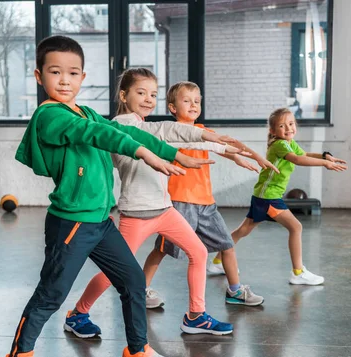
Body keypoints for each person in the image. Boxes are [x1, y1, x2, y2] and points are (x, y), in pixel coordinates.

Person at [3, 37, 210, 357]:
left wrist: (173, 154)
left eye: (72, 73)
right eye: (55, 72)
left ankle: (137, 352)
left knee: (132, 280)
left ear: (83, 76)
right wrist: (144, 154)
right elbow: (97, 133)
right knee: (52, 293)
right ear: (40, 76)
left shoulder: (82, 110)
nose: (64, 80)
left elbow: (121, 129)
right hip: (72, 221)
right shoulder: (50, 115)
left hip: (100, 221)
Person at [66, 68, 240, 338]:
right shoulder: (121, 126)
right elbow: (166, 131)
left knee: (199, 252)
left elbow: (175, 135)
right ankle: (78, 313)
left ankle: (195, 315)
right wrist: (210, 140)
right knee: (116, 271)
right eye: (141, 92)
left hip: (165, 209)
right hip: (136, 214)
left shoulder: (146, 125)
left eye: (153, 94)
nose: (149, 99)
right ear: (123, 95)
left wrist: (221, 146)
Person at [142, 81, 266, 308]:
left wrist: (240, 156)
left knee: (227, 245)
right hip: (180, 204)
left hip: (206, 203)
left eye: (197, 101)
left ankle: (235, 291)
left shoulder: (204, 131)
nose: (193, 105)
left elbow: (222, 146)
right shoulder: (170, 133)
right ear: (172, 107)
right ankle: (141, 290)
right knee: (161, 249)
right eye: (186, 100)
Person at [213, 107, 347, 286]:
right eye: (282, 126)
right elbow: (297, 160)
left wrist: (325, 156)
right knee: (296, 227)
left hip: (264, 195)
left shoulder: (289, 143)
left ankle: (217, 262)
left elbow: (304, 155)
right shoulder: (279, 145)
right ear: (273, 131)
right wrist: (324, 164)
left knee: (244, 230)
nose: (289, 128)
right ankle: (298, 272)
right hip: (269, 197)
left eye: (291, 124)